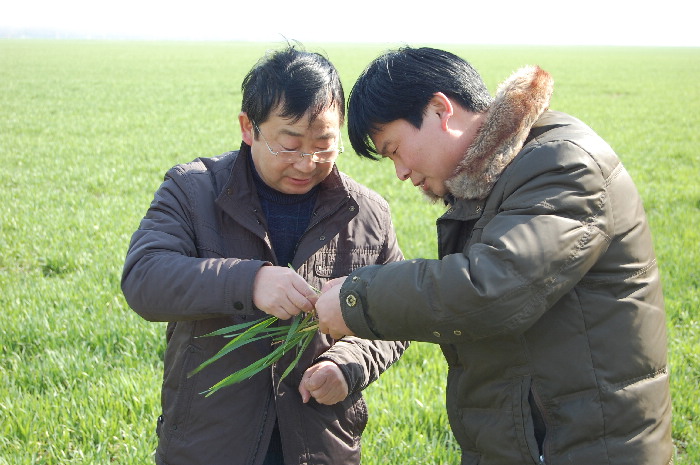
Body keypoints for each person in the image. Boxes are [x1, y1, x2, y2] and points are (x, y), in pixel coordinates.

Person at [314, 46, 673, 464]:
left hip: (586, 448)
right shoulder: (494, 182)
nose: (401, 173)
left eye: (394, 149)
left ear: (440, 110)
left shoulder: (563, 164)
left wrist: (357, 300)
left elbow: (491, 287)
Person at [121, 45, 408, 465]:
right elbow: (144, 278)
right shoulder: (193, 191)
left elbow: (395, 315)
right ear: (248, 127)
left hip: (319, 445)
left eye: (325, 144)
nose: (307, 163)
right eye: (289, 145)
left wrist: (348, 366)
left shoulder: (366, 213)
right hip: (210, 446)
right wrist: (249, 282)